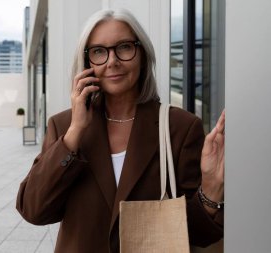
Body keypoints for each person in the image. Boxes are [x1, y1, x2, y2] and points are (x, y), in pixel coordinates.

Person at [16, 8, 224, 253]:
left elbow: (197, 234)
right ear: (87, 63)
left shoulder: (179, 127)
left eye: (124, 47)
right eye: (99, 51)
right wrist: (74, 133)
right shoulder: (63, 127)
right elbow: (34, 210)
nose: (112, 61)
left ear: (142, 54)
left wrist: (211, 187)